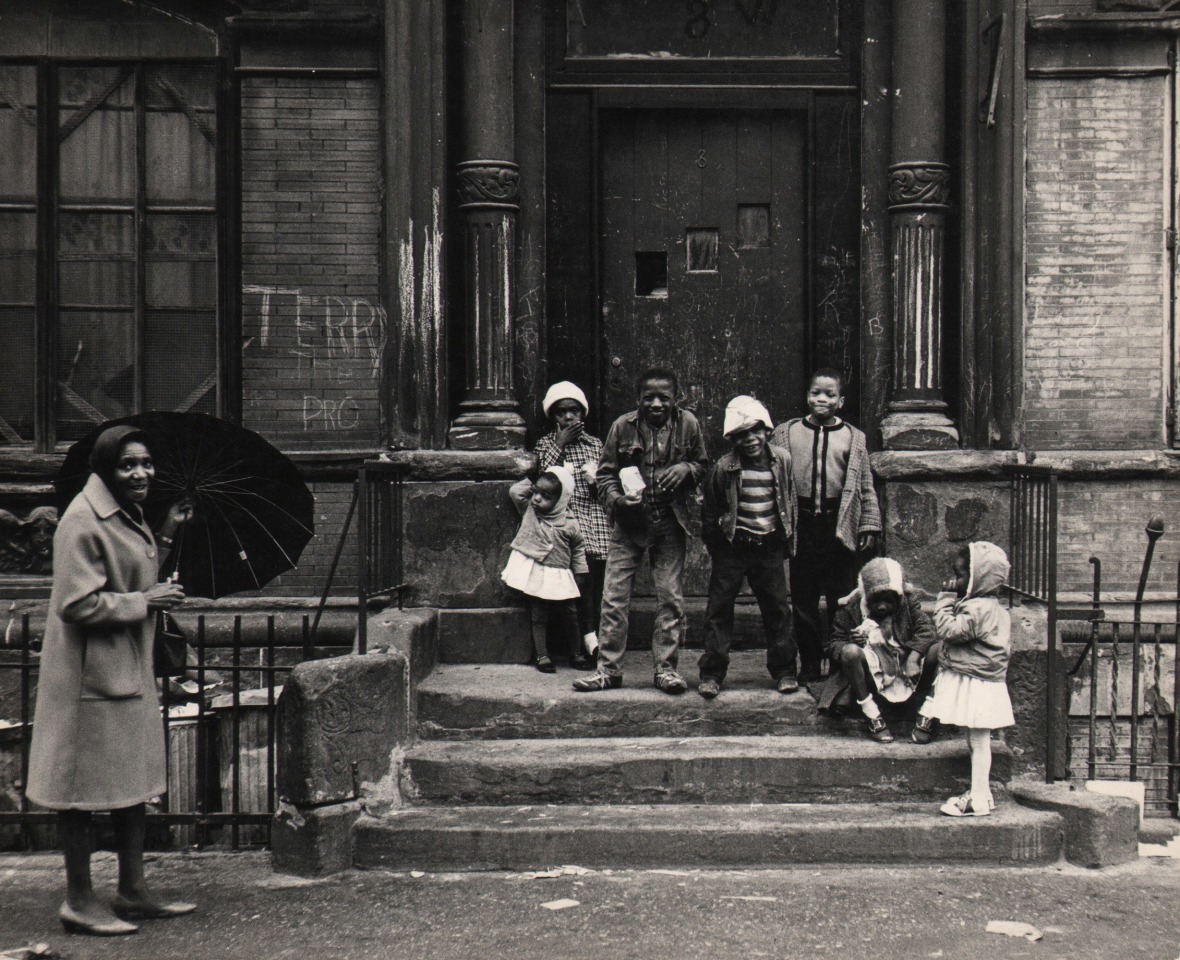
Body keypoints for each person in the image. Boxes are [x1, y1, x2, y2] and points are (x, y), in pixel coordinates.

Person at [26, 425, 196, 936]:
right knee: (77, 791)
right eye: (128, 465)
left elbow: (129, 577)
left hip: (123, 668)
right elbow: (76, 604)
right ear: (105, 468)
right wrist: (148, 602)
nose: (141, 473)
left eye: (146, 463)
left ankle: (133, 889)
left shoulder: (128, 513)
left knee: (131, 784)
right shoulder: (82, 520)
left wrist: (165, 534)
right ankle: (79, 900)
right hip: (87, 679)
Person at [574, 368, 709, 693]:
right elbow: (605, 474)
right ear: (638, 399)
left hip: (670, 523)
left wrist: (685, 468)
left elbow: (703, 464)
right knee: (614, 599)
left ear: (677, 399)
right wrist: (619, 501)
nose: (657, 403)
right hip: (629, 525)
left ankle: (666, 671)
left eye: (665, 397)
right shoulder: (622, 426)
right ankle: (608, 671)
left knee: (671, 599)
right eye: (649, 397)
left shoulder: (688, 424)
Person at [770, 368, 881, 682]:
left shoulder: (853, 437)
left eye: (829, 394)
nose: (822, 399)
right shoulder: (786, 433)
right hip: (801, 524)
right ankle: (808, 661)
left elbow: (865, 486)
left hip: (838, 524)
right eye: (816, 393)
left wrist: (869, 525)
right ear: (807, 396)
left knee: (841, 598)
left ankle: (838, 661)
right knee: (803, 598)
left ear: (841, 400)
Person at [697, 396, 799, 698]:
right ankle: (712, 673)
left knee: (778, 608)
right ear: (733, 438)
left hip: (768, 546)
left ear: (767, 430)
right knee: (719, 608)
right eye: (742, 434)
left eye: (756, 431)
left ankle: (784, 670)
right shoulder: (724, 467)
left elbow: (789, 501)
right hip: (734, 547)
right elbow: (711, 512)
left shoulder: (782, 460)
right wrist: (719, 546)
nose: (751, 439)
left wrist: (785, 541)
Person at [929, 542, 1015, 817]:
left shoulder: (978, 608)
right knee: (978, 741)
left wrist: (944, 599)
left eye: (962, 575)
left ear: (979, 578)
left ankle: (976, 799)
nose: (957, 581)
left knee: (978, 744)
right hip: (985, 680)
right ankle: (984, 794)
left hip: (976, 682)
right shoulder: (993, 607)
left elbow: (949, 630)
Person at [818, 557, 939, 743]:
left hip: (907, 668)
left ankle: (928, 713)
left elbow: (927, 631)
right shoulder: (851, 609)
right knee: (850, 652)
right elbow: (835, 643)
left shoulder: (907, 604)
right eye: (876, 600)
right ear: (866, 595)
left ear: (898, 597)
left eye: (888, 601)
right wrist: (852, 641)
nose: (882, 606)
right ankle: (872, 714)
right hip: (872, 673)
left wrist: (913, 657)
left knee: (941, 649)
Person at [533, 381, 609, 666]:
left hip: (592, 515)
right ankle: (579, 641)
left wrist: (595, 480)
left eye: (574, 411)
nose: (568, 417)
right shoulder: (545, 445)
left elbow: (604, 484)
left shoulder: (595, 445)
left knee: (593, 572)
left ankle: (594, 638)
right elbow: (540, 479)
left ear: (582, 413)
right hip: (563, 518)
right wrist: (560, 445)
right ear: (554, 416)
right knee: (575, 575)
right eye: (562, 412)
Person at [503, 466, 596, 672]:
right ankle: (542, 655)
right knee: (539, 614)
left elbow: (579, 549)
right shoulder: (530, 510)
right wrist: (536, 477)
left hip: (561, 573)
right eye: (535, 492)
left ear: (562, 499)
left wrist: (580, 571)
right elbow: (516, 491)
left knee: (570, 613)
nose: (537, 499)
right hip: (537, 571)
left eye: (545, 496)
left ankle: (576, 653)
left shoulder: (569, 524)